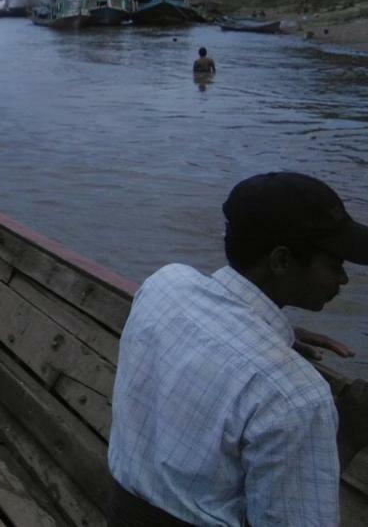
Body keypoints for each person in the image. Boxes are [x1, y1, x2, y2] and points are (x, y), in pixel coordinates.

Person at [108, 172, 368, 526]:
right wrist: (348, 439)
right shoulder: (298, 397)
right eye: (335, 264)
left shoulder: (164, 284)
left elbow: (219, 319)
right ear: (280, 261)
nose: (343, 279)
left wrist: (269, 330)